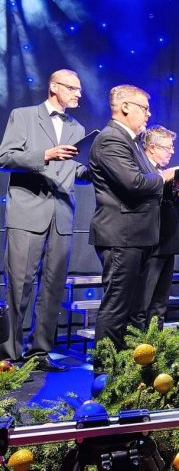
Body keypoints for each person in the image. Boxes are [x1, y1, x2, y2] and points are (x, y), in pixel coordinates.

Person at [0, 69, 90, 371]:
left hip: (62, 215)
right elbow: (5, 158)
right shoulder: (24, 116)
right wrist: (45, 154)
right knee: (20, 285)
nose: (78, 94)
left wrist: (94, 170)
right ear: (54, 87)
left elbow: (74, 170)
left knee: (53, 287)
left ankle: (39, 351)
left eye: (79, 89)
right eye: (72, 88)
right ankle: (10, 354)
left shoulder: (77, 127)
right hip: (28, 212)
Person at [89, 85, 172, 352]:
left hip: (139, 236)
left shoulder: (130, 141)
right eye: (144, 108)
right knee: (117, 306)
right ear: (125, 107)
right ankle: (106, 368)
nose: (149, 114)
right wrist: (165, 177)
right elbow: (133, 183)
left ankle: (127, 366)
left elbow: (146, 184)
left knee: (134, 308)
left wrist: (175, 186)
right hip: (121, 236)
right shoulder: (111, 139)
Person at [138, 126, 179, 329]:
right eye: (168, 147)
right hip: (152, 243)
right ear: (152, 148)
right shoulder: (143, 169)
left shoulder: (160, 173)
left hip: (167, 243)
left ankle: (156, 342)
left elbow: (168, 205)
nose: (172, 152)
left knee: (160, 303)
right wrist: (175, 187)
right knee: (144, 301)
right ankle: (139, 343)